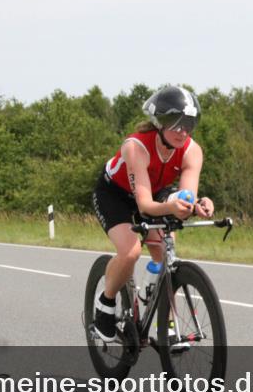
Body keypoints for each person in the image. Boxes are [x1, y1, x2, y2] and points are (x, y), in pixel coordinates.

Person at [91, 86, 214, 342]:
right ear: (159, 123)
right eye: (175, 122)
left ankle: (160, 310)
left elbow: (185, 197)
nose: (183, 131)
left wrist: (195, 205)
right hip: (115, 195)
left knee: (166, 249)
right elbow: (145, 205)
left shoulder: (193, 151)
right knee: (131, 252)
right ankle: (106, 302)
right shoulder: (135, 147)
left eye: (189, 124)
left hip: (156, 191)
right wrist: (171, 207)